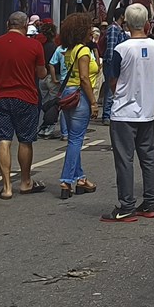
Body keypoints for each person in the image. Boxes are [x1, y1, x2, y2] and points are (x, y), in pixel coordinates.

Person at [101, 3, 154, 222]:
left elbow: (113, 80)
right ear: (146, 22)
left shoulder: (122, 49)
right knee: (148, 158)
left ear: (126, 22)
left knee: (125, 160)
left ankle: (126, 205)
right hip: (146, 111)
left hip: (124, 112)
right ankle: (150, 202)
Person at [0, 11, 48, 200]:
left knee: (3, 139)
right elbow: (41, 74)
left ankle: (6, 187)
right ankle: (25, 181)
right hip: (26, 97)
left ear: (7, 24)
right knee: (25, 139)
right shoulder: (34, 45)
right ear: (25, 26)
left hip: (0, 96)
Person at [56, 12, 100, 200]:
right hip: (79, 96)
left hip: (68, 94)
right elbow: (83, 78)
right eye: (89, 27)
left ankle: (81, 178)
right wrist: (93, 102)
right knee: (76, 140)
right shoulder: (82, 51)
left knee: (74, 138)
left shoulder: (68, 50)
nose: (91, 31)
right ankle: (66, 180)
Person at [100, 10, 127, 125]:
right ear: (121, 15)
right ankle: (106, 115)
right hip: (111, 63)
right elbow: (111, 48)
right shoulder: (114, 28)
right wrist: (112, 65)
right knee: (110, 89)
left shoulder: (120, 29)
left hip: (117, 63)